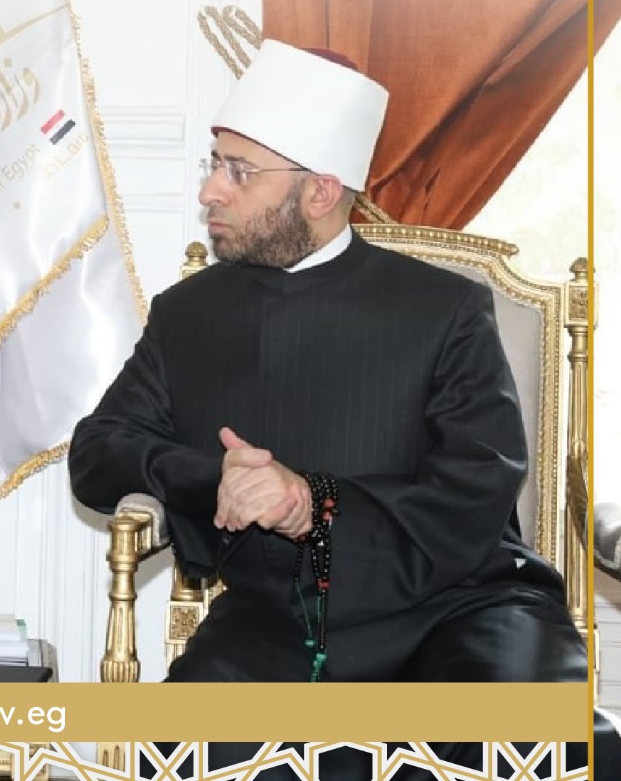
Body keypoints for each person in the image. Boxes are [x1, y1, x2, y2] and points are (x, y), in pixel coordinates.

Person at [70, 39, 585, 682]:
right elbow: (97, 452)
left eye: (239, 171)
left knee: (527, 729)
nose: (209, 191)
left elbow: (475, 489)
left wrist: (314, 502)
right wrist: (216, 477)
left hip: (462, 611)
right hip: (277, 622)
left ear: (319, 192)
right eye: (215, 164)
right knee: (176, 737)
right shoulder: (188, 313)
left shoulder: (445, 309)